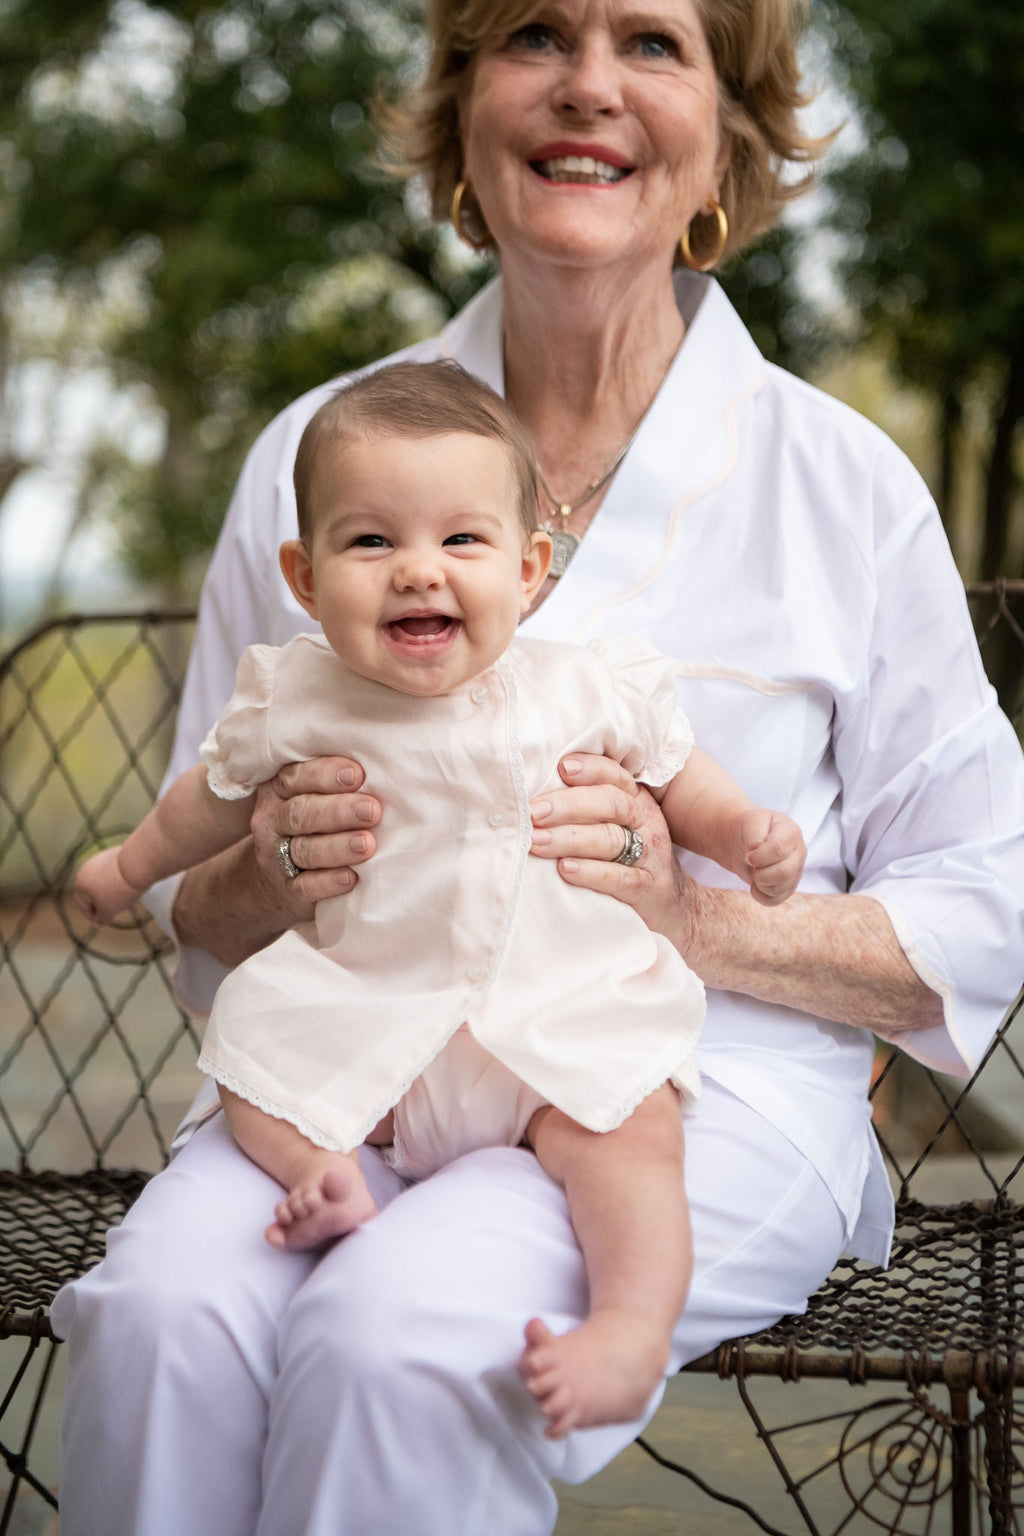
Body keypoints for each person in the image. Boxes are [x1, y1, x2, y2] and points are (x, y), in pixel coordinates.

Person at [51, 1, 1024, 1532]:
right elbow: (200, 909)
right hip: (348, 1074)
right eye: (533, 36)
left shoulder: (841, 487)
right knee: (161, 1320)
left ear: (728, 125)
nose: (588, 85)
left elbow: (981, 912)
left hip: (669, 1091)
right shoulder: (317, 454)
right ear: (461, 109)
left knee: (407, 1338)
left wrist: (698, 916)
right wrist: (259, 873)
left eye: (653, 41)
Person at [74, 359, 807, 1438]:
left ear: (530, 568)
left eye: (460, 541)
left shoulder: (585, 684)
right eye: (371, 541)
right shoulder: (297, 693)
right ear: (305, 574)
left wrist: (742, 834)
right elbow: (208, 801)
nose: (418, 572)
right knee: (256, 1067)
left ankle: (628, 1329)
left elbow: (674, 774)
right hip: (366, 1016)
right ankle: (322, 1176)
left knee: (636, 1139)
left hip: (552, 1026)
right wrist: (130, 867)